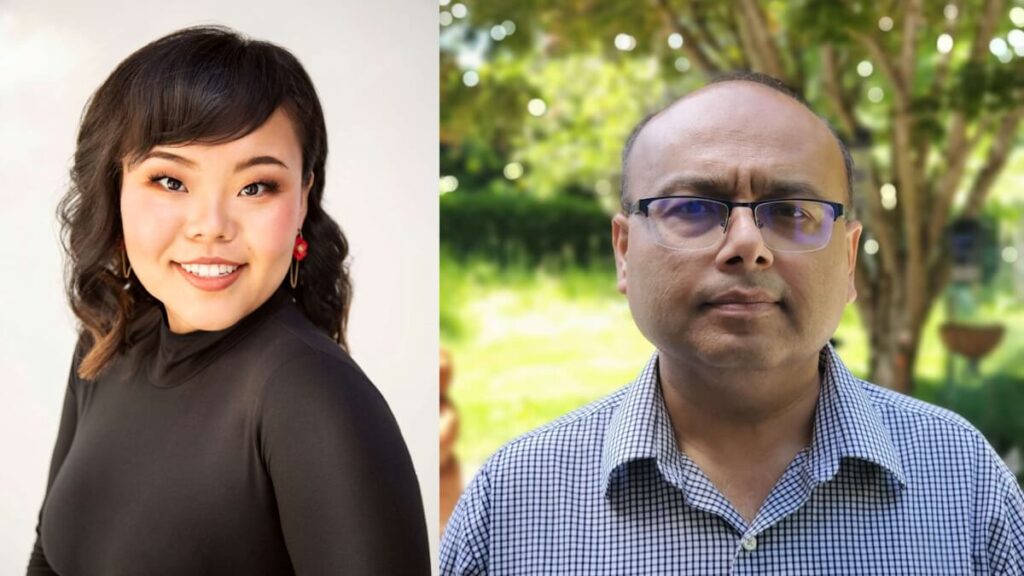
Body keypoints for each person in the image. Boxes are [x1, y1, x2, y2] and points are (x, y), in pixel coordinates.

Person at [440, 73, 1024, 574]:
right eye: (693, 208)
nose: (747, 246)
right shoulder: (516, 502)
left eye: (791, 212)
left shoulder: (964, 483)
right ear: (624, 251)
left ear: (848, 261)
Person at [28, 26, 429, 575]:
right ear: (114, 186)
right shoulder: (106, 339)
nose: (210, 228)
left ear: (304, 196)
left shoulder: (311, 396)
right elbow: (50, 558)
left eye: (255, 186)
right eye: (170, 181)